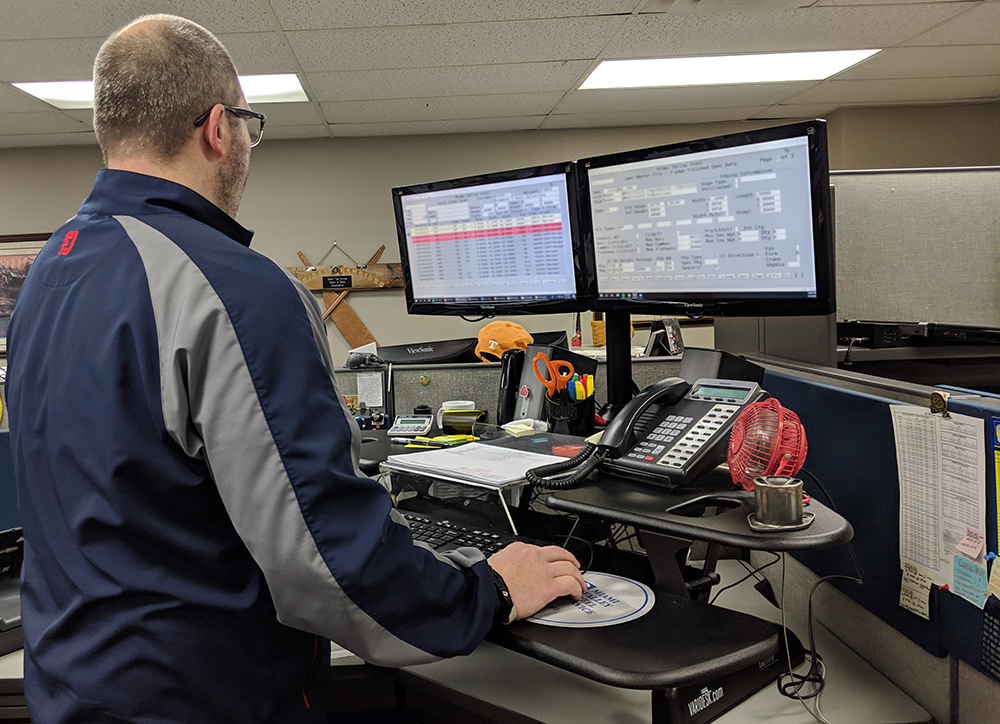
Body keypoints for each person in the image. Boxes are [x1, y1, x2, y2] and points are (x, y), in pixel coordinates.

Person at [6, 15, 586, 724]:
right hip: (202, 698)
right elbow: (327, 560)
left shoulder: (50, 271)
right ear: (220, 128)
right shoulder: (236, 288)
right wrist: (487, 591)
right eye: (249, 125)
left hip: (72, 687)